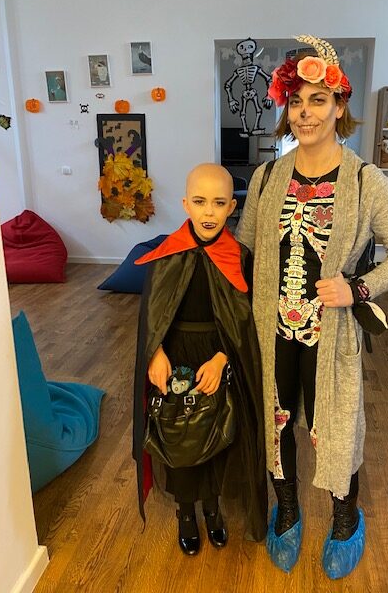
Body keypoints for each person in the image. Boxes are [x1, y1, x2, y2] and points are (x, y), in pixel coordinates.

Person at [236, 34, 388, 578]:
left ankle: (345, 518)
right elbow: (246, 250)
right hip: (272, 331)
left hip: (332, 334)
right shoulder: (267, 178)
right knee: (275, 422)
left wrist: (357, 288)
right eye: (296, 101)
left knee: (335, 427)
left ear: (340, 106)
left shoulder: (366, 181)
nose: (305, 113)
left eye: (318, 100)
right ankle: (287, 510)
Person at [132, 163, 268, 556]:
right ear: (185, 204)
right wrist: (155, 353)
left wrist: (224, 358)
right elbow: (152, 317)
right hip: (174, 357)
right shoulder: (165, 256)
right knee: (179, 432)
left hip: (218, 356)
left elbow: (245, 320)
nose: (209, 212)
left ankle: (212, 507)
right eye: (200, 201)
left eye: (219, 203)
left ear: (231, 208)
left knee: (215, 430)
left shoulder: (239, 258)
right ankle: (186, 512)